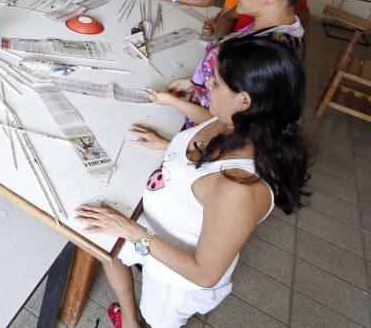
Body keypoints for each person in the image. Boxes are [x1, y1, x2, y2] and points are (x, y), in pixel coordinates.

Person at [76, 36, 309, 328]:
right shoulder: (233, 121)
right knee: (103, 244)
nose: (207, 83)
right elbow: (207, 123)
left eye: (217, 82)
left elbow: (205, 273)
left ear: (244, 100)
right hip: (155, 228)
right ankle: (131, 321)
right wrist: (168, 136)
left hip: (177, 275)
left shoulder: (240, 187)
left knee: (157, 319)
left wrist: (130, 230)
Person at [150, 0, 316, 128]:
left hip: (207, 133)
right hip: (200, 113)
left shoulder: (265, 53)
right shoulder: (272, 24)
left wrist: (174, 102)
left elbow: (230, 125)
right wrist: (194, 82)